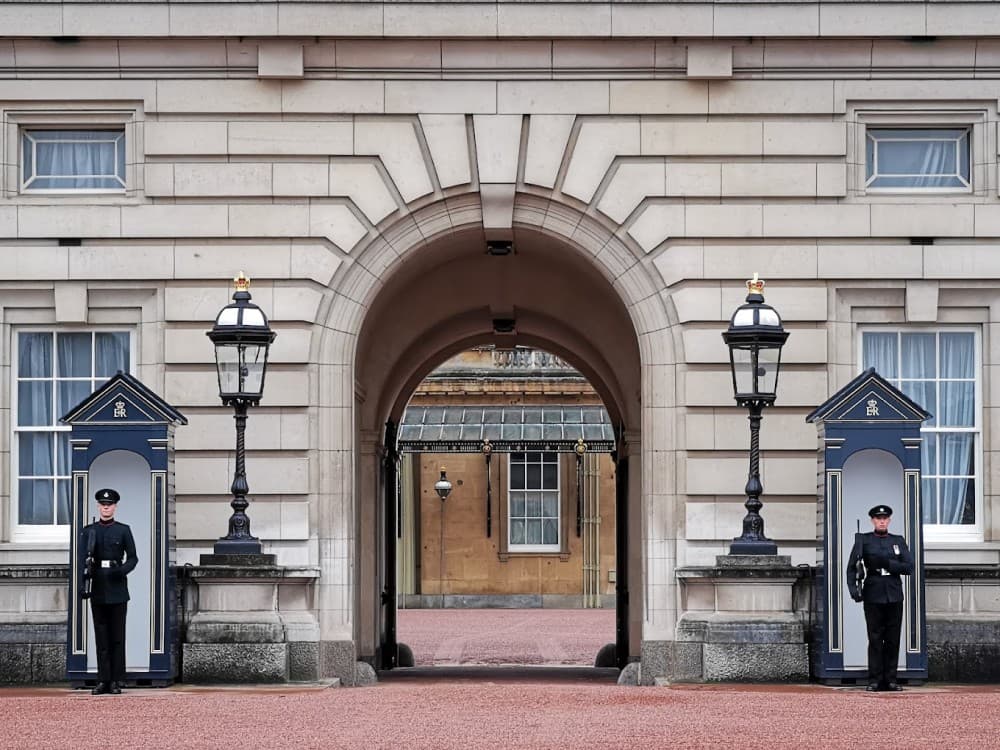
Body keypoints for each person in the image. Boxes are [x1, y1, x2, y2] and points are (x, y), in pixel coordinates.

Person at [846, 504, 914, 692]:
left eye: (885, 518)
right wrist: (854, 590)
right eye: (878, 518)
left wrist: (888, 563)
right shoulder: (864, 540)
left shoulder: (898, 540)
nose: (882, 521)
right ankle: (875, 679)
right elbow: (852, 567)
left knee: (893, 639)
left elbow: (909, 567)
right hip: (873, 592)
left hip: (893, 592)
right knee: (875, 638)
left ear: (889, 520)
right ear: (873, 520)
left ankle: (891, 679)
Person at [81, 488, 137, 695]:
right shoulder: (89, 531)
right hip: (97, 586)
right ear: (98, 506)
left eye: (110, 504)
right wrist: (83, 582)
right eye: (103, 504)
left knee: (117, 636)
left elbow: (133, 557)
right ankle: (103, 679)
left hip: (117, 587)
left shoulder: (123, 530)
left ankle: (116, 679)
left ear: (115, 506)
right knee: (101, 636)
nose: (106, 507)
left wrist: (121, 571)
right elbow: (81, 560)